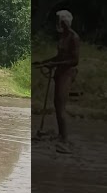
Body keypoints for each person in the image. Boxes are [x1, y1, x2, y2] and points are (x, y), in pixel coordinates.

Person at [33, 10, 80, 154]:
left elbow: (74, 60)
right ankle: (60, 135)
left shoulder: (73, 37)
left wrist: (54, 64)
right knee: (56, 105)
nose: (57, 24)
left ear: (64, 22)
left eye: (59, 21)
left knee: (60, 107)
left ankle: (65, 139)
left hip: (67, 73)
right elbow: (59, 56)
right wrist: (43, 62)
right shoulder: (63, 37)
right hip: (59, 72)